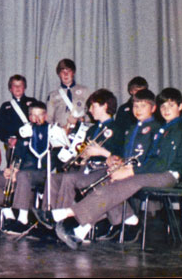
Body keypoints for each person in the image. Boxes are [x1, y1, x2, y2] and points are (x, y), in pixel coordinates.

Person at [54, 88, 182, 249]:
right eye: (163, 106)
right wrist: (122, 164)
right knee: (111, 183)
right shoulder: (164, 129)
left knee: (129, 182)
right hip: (154, 172)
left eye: (171, 105)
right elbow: (149, 159)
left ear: (181, 107)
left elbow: (162, 163)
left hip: (168, 175)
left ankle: (67, 213)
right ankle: (82, 230)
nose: (166, 110)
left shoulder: (178, 130)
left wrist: (131, 171)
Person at [33, 89, 124, 238]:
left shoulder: (117, 129)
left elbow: (120, 156)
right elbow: (82, 150)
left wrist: (99, 153)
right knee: (53, 179)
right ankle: (47, 221)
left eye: (93, 106)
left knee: (69, 179)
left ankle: (61, 221)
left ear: (105, 106)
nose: (90, 110)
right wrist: (81, 157)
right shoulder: (92, 129)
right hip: (87, 169)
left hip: (103, 171)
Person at [0, 100, 67, 234]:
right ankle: (9, 217)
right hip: (22, 172)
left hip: (42, 173)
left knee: (23, 175)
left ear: (46, 116)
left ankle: (22, 220)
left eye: (40, 115)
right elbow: (17, 156)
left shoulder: (53, 132)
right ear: (29, 117)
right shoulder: (24, 133)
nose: (37, 119)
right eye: (33, 116)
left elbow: (59, 159)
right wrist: (11, 169)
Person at [46, 59, 91, 133]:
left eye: (68, 71)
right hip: (61, 133)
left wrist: (81, 119)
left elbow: (91, 114)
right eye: (62, 71)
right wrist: (56, 131)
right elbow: (49, 118)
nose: (65, 74)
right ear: (59, 74)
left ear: (73, 72)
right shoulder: (52, 95)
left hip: (81, 132)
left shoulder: (85, 91)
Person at [0, 75, 41, 147]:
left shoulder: (33, 102)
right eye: (14, 85)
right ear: (10, 89)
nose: (17, 87)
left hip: (32, 142)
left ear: (24, 87)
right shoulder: (5, 106)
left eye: (20, 85)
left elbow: (40, 121)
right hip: (15, 144)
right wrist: (8, 139)